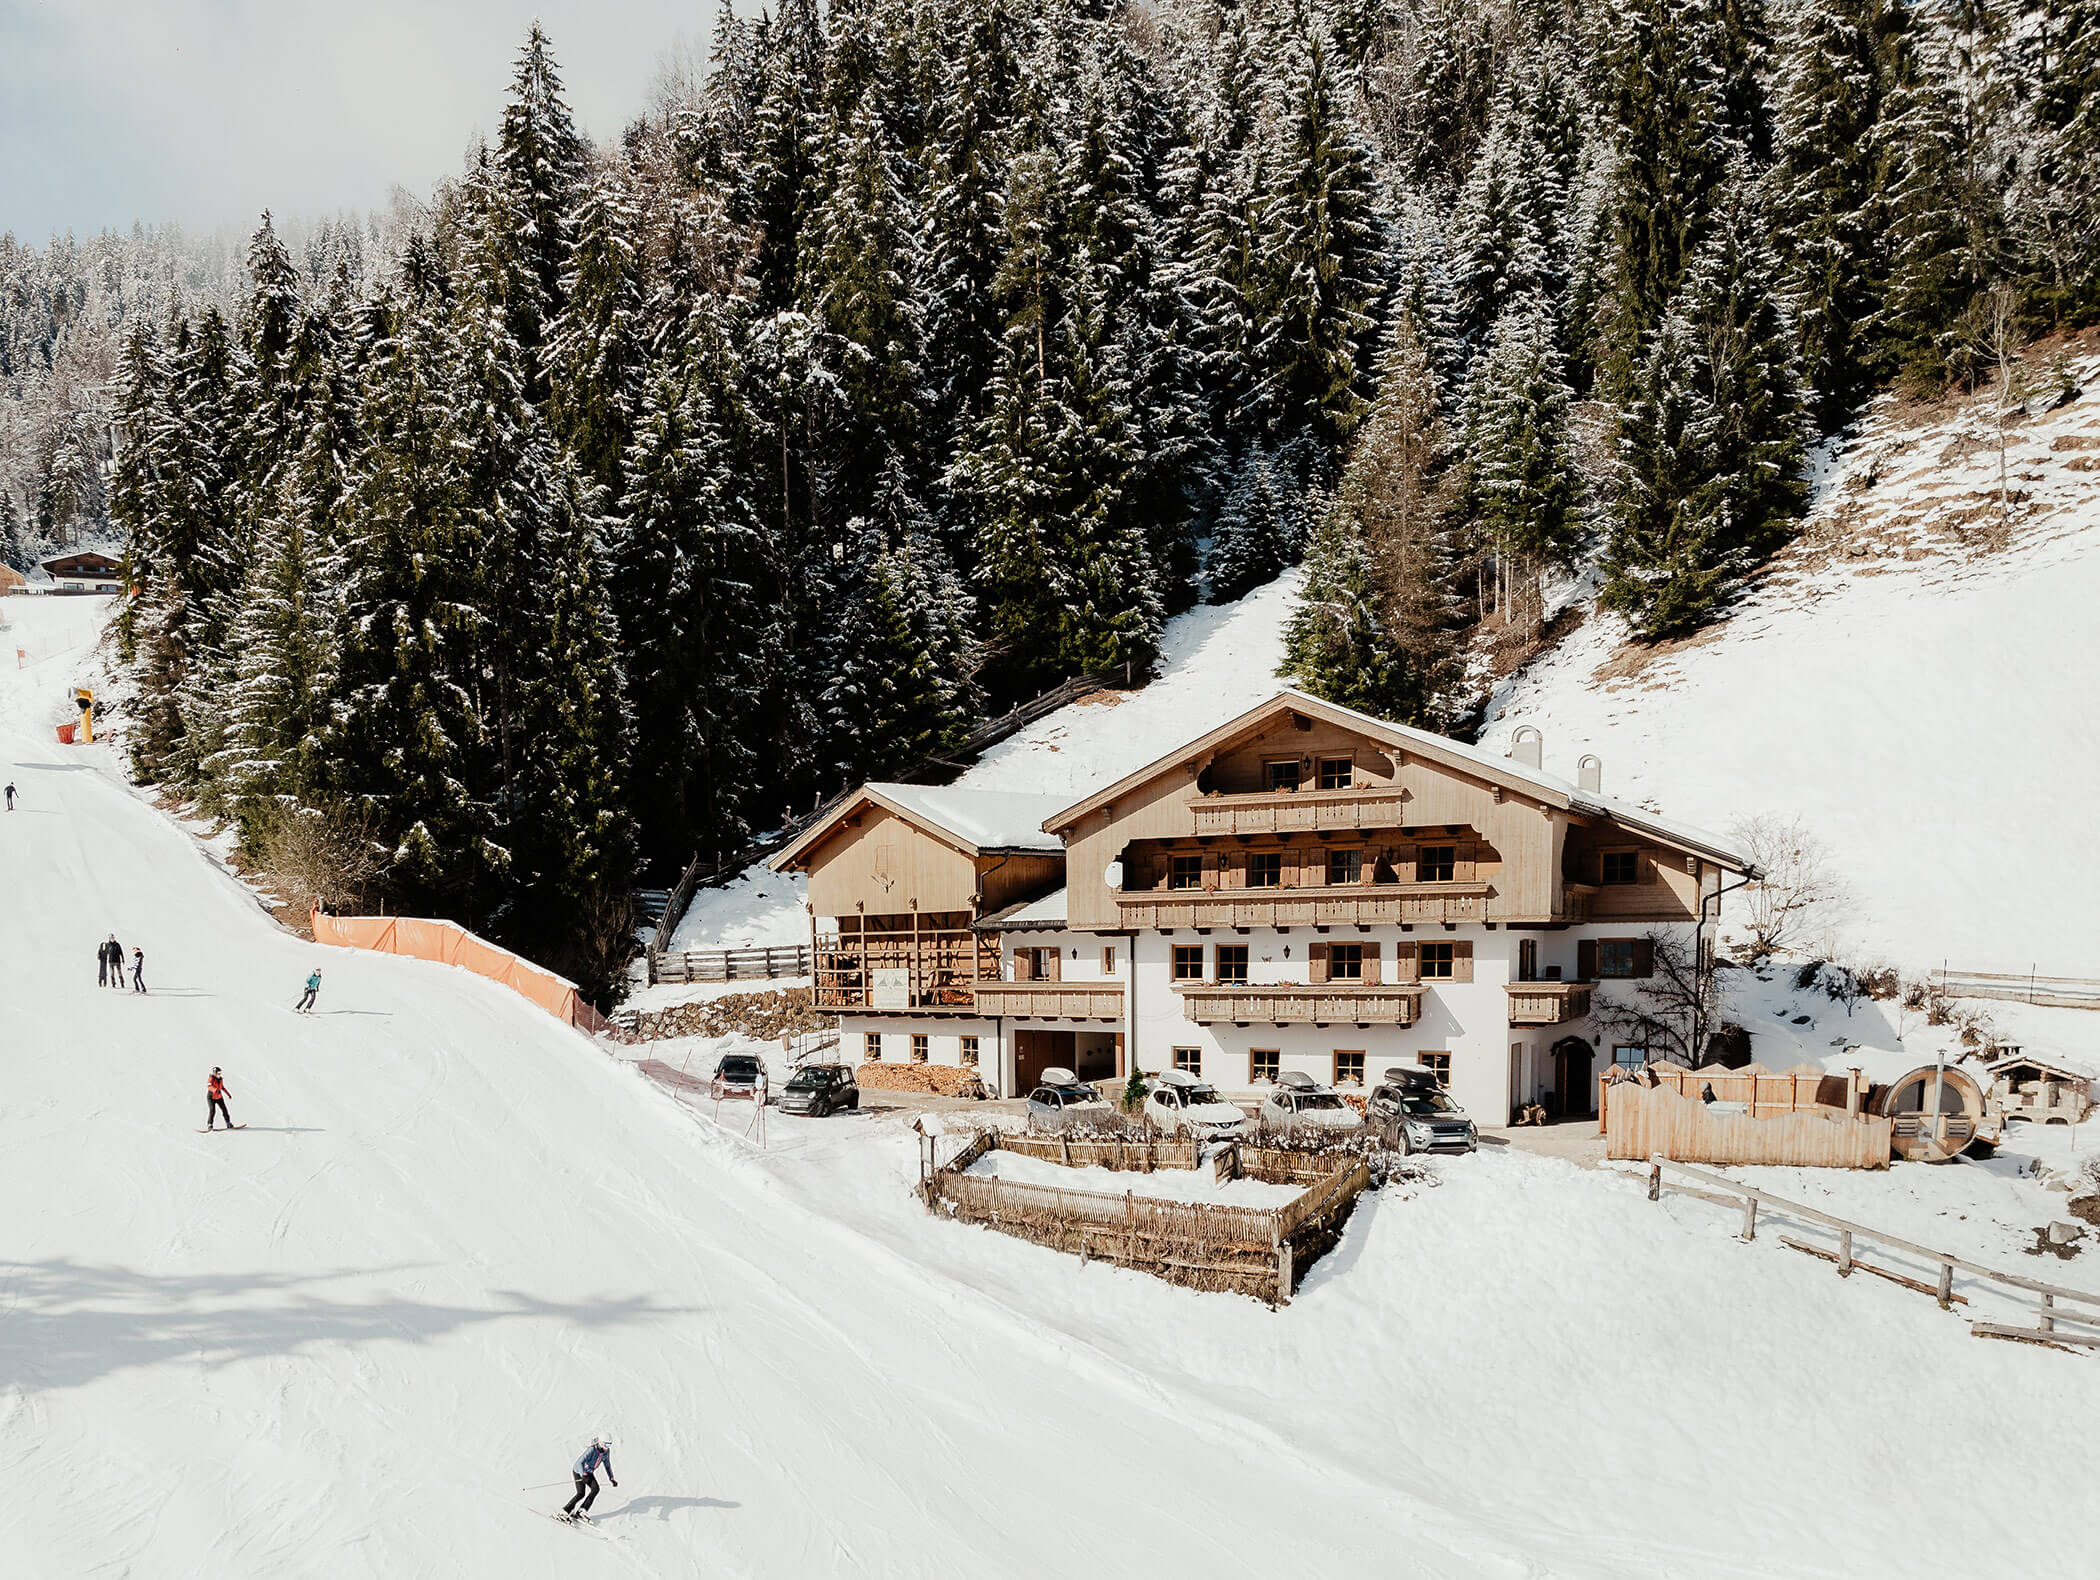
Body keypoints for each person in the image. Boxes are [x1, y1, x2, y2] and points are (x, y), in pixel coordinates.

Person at [560, 1435, 616, 1524]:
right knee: (581, 1493)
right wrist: (583, 1475)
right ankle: (565, 1511)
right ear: (601, 1443)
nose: (607, 1447)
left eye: (609, 1445)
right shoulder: (592, 1449)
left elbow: (607, 1465)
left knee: (595, 1489)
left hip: (589, 1473)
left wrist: (611, 1478)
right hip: (578, 1471)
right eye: (606, 1445)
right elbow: (579, 1463)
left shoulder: (606, 1452)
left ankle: (582, 1510)